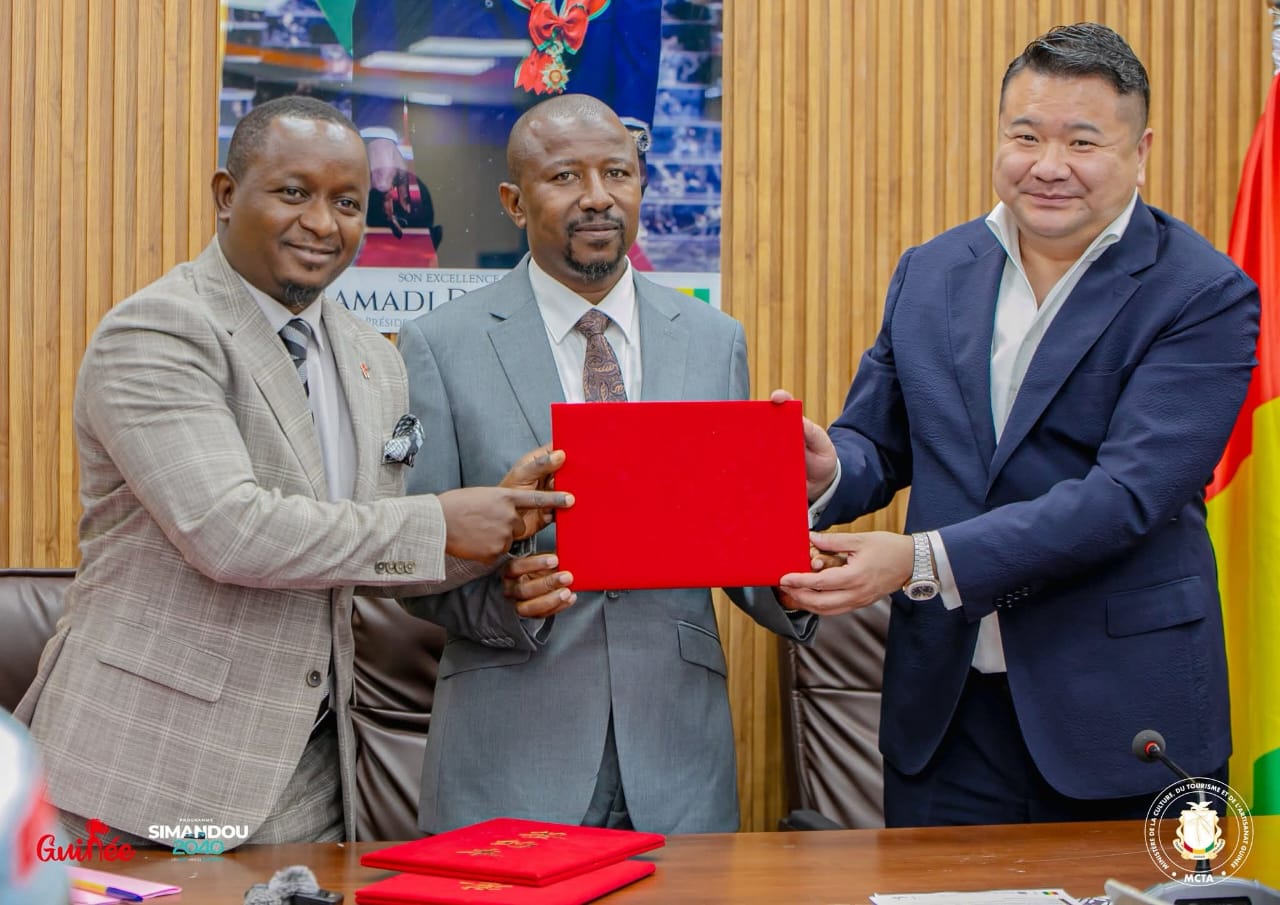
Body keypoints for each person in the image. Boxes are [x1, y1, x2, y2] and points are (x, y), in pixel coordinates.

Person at [15, 96, 570, 849]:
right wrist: (442, 521)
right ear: (225, 194)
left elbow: (369, 550)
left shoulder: (373, 356)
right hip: (140, 773)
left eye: (347, 203)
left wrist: (500, 536)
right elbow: (231, 531)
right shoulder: (158, 330)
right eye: (293, 192)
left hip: (309, 781)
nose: (322, 223)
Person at [775, 23, 1260, 826]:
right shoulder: (931, 270)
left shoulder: (1202, 293)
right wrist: (829, 470)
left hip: (1122, 720)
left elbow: (1127, 496)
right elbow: (879, 441)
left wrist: (920, 559)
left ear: (1141, 151)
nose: (1048, 165)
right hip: (945, 715)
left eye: (1082, 141)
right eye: (1025, 135)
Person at [396, 94, 817, 835]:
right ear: (514, 202)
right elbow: (411, 558)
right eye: (565, 177)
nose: (597, 197)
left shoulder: (714, 338)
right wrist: (505, 597)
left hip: (677, 747)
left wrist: (796, 565)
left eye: (617, 173)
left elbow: (731, 544)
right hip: (512, 744)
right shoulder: (441, 344)